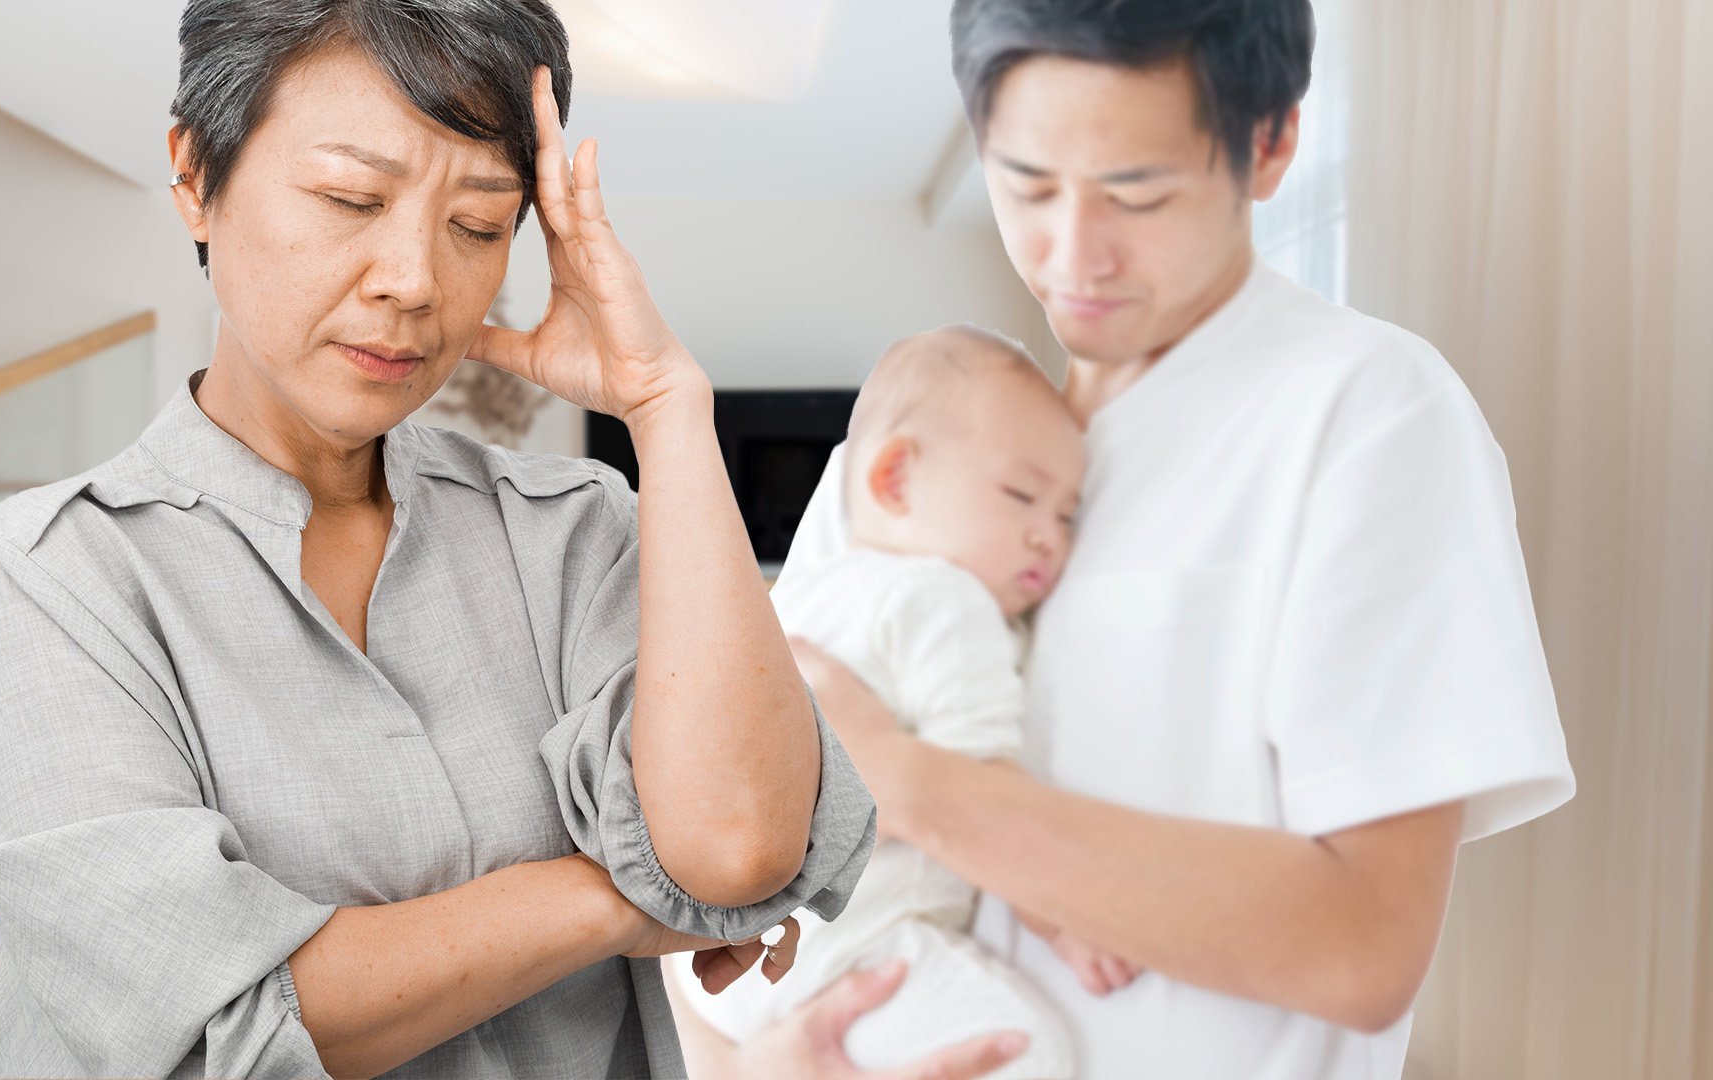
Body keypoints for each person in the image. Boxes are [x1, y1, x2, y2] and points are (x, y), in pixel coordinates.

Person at [0, 2, 875, 1077]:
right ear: (197, 175)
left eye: (480, 224)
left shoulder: (573, 529)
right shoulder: (67, 567)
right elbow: (212, 1025)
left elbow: (732, 853)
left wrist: (667, 407)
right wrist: (615, 900)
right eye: (352, 198)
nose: (416, 280)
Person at [670, 1, 1576, 1077]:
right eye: (1028, 183)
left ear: (1273, 142)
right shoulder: (920, 449)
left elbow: (1363, 945)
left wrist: (908, 785)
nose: (1073, 256)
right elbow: (714, 880)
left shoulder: (1369, 414)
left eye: (1137, 191)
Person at [667, 326, 1085, 1079]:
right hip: (859, 950)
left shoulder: (792, 600)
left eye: (1066, 515)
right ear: (894, 479)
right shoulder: (944, 596)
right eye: (1023, 495)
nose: (1047, 537)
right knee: (1033, 1052)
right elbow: (983, 798)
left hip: (727, 974)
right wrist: (1067, 919)